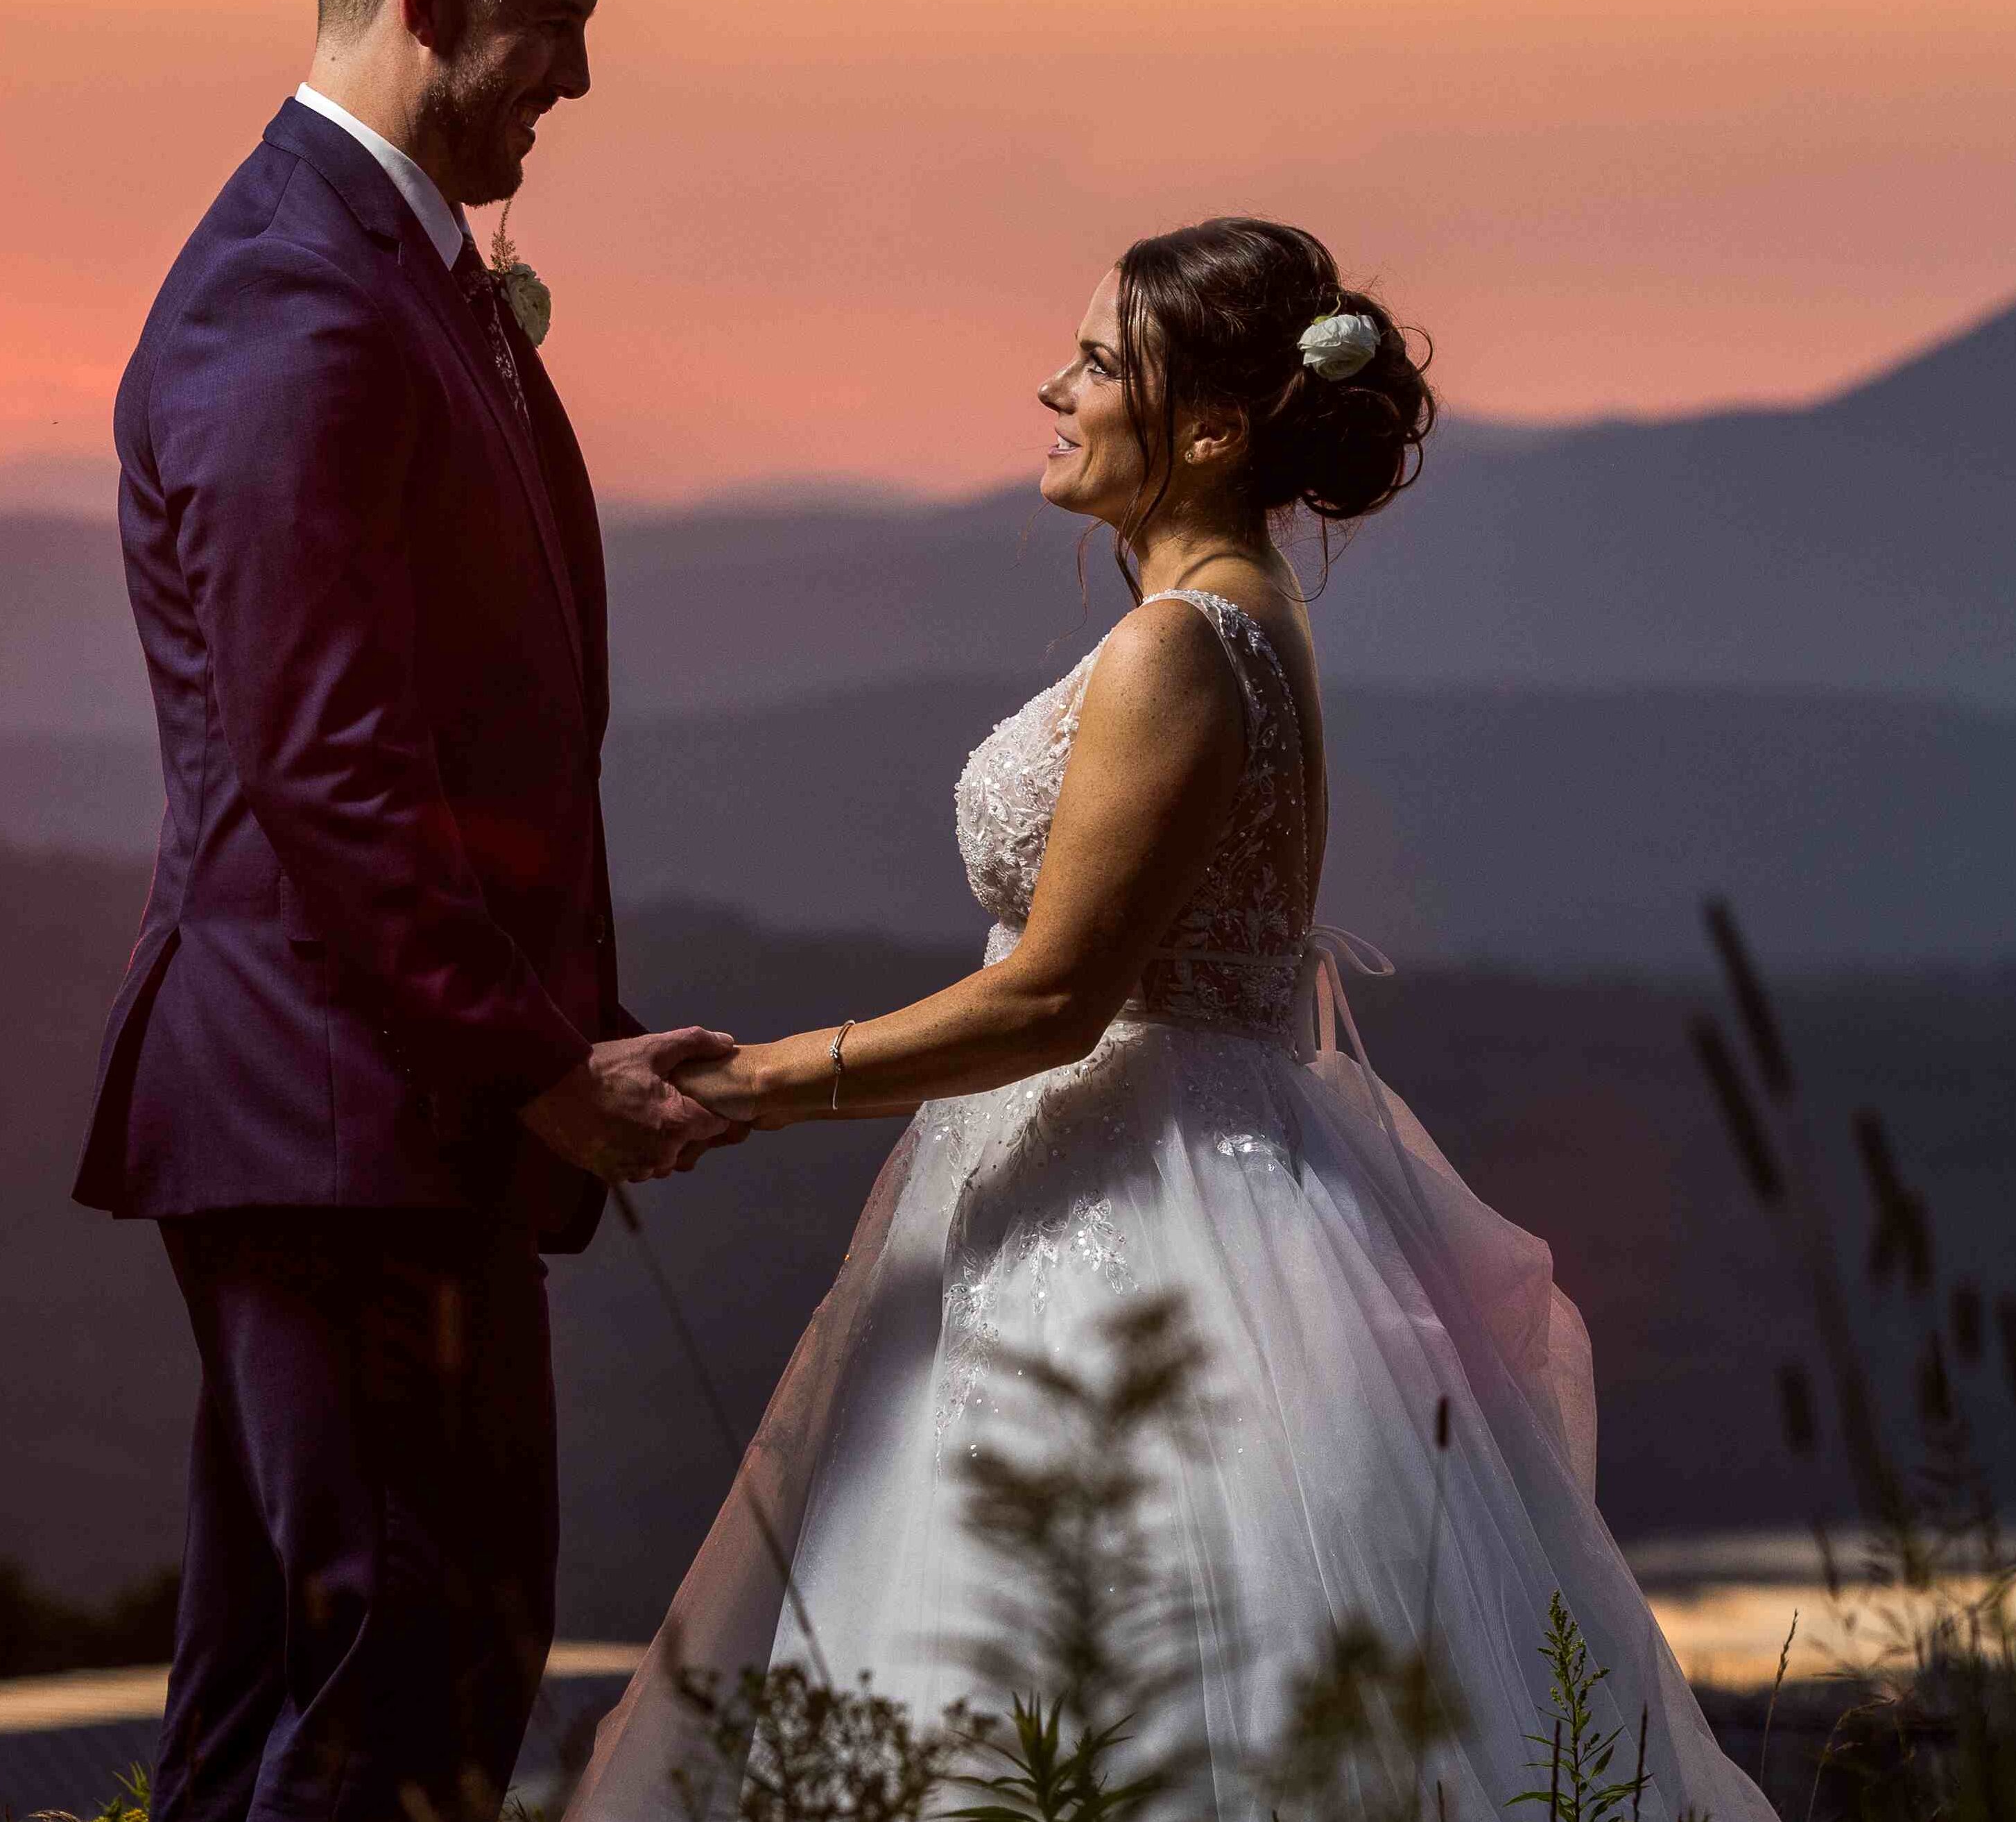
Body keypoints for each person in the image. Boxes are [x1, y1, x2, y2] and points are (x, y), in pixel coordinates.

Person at [569, 216, 1772, 1822]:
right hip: (1203, 1169)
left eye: (1092, 362)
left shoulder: (1177, 649)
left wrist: (747, 1080)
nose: (1052, 388)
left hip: (1136, 1209)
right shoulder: (1249, 614)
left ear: (1207, 427)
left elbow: (1057, 997)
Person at [73, 0, 748, 1822]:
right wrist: (536, 1068)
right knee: (412, 1684)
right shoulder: (297, 300)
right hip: (345, 1108)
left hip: (351, 1105)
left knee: (296, 1669)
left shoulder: (381, 269)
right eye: (556, 19)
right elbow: (333, 764)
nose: (583, 74)